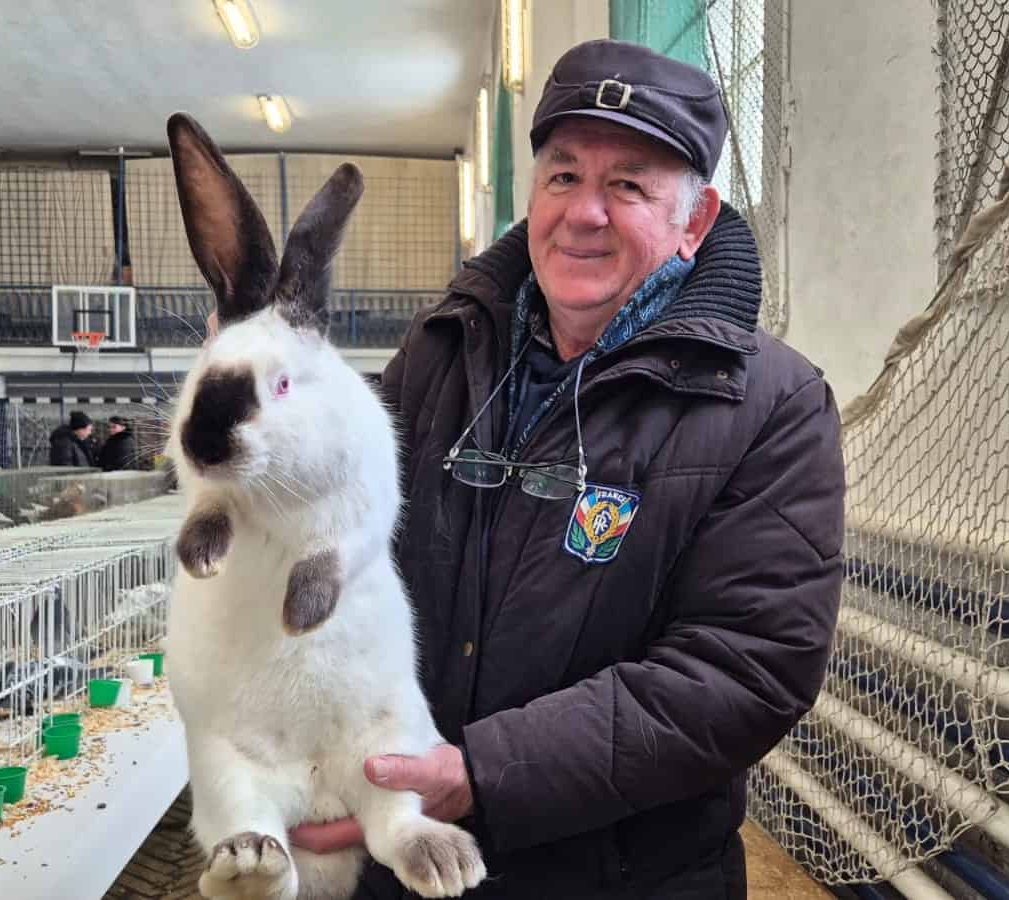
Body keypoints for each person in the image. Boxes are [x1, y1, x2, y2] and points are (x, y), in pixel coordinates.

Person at [289, 40, 846, 898]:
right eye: (563, 176)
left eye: (628, 186)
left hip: (620, 877)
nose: (584, 212)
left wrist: (482, 773)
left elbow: (745, 666)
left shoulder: (771, 405)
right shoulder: (441, 353)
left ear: (695, 222)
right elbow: (344, 533)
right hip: (403, 850)